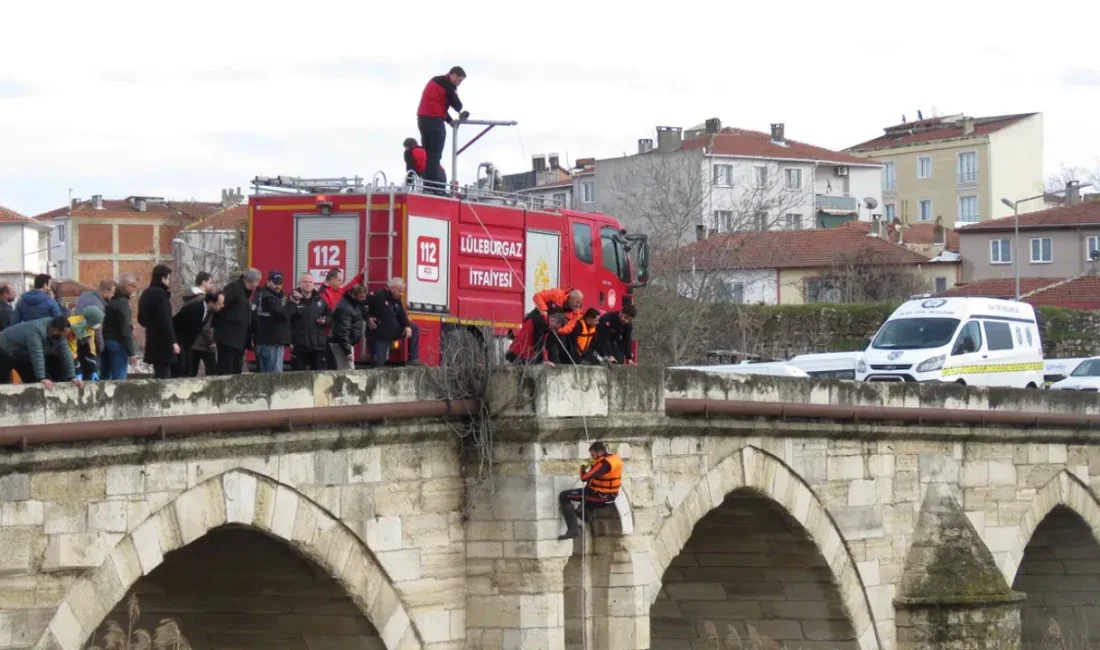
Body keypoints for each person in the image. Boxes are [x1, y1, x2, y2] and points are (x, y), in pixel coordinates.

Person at [416, 66, 468, 191]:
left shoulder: (436, 81)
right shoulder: (447, 84)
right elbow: (457, 105)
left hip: (423, 119)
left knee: (429, 154)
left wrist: (449, 121)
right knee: (435, 155)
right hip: (434, 121)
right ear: (453, 75)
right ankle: (434, 187)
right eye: (459, 80)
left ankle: (427, 185)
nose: (459, 83)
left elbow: (438, 104)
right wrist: (455, 92)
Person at [558, 441, 622, 540]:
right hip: (607, 496)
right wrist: (593, 465)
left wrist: (582, 469)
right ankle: (585, 514)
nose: (592, 457)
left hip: (600, 497)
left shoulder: (603, 464)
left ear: (599, 452)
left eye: (593, 455)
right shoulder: (613, 458)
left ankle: (573, 529)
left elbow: (584, 478)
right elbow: (598, 475)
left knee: (564, 496)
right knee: (586, 491)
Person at [0, 317, 80, 389]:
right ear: (56, 331)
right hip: (4, 350)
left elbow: (66, 354)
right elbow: (37, 354)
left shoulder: (60, 334)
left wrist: (72, 377)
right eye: (65, 333)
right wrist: (42, 378)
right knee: (3, 383)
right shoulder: (35, 330)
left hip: (24, 355)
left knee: (33, 383)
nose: (66, 335)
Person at [214, 268, 262, 375]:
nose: (257, 285)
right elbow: (220, 305)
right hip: (228, 337)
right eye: (257, 281)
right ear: (252, 281)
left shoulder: (246, 292)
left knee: (236, 369)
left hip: (239, 339)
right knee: (226, 368)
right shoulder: (234, 287)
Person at [365, 277, 420, 367]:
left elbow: (401, 315)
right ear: (392, 287)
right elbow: (359, 305)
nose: (401, 294)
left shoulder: (396, 298)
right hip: (379, 334)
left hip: (392, 330)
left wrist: (407, 326)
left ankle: (413, 358)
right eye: (399, 291)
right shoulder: (377, 295)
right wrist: (368, 318)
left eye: (402, 291)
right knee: (378, 364)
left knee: (414, 328)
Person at [137, 264, 179, 379]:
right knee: (164, 376)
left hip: (152, 339)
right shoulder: (160, 294)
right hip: (163, 342)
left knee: (159, 372)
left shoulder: (146, 293)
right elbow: (166, 320)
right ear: (163, 278)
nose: (169, 281)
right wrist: (173, 342)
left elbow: (141, 319)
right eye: (168, 278)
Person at [174, 292, 223, 377]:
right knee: (184, 368)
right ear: (211, 302)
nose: (221, 306)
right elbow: (181, 324)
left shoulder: (208, 311)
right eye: (219, 304)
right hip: (183, 340)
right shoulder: (196, 309)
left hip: (191, 342)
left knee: (189, 369)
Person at [289, 273, 329, 371]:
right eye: (305, 282)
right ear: (299, 283)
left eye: (310, 282)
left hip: (318, 346)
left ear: (313, 284)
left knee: (319, 376)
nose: (308, 284)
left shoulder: (320, 300)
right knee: (298, 376)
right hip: (299, 347)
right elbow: (287, 322)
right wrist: (289, 342)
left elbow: (332, 317)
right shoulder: (292, 300)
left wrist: (325, 321)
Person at [253, 271, 291, 373]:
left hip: (262, 342)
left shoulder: (260, 294)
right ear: (268, 282)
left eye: (280, 283)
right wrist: (289, 303)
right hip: (272, 343)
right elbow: (284, 315)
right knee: (275, 376)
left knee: (265, 376)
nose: (278, 286)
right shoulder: (269, 297)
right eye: (275, 282)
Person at [180, 273, 218, 377]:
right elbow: (204, 323)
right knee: (212, 374)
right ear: (203, 282)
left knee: (190, 374)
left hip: (190, 342)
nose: (212, 285)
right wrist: (211, 341)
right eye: (210, 282)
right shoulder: (202, 300)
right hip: (204, 343)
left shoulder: (188, 298)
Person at [52, 306, 104, 381]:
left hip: (77, 353)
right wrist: (77, 371)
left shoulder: (90, 328)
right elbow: (70, 350)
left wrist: (93, 369)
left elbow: (91, 348)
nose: (92, 329)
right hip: (61, 356)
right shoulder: (70, 326)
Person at [102, 274, 138, 380]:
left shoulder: (110, 300)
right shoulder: (123, 302)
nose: (134, 289)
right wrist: (132, 353)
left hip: (104, 342)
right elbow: (125, 328)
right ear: (125, 285)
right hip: (118, 344)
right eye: (133, 286)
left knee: (104, 378)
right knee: (119, 379)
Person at [75, 279, 115, 371]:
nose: (113, 295)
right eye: (112, 292)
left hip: (77, 337)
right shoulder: (98, 306)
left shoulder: (86, 295)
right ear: (106, 292)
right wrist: (101, 348)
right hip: (89, 343)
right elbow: (97, 330)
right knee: (92, 370)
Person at [330, 283, 367, 370]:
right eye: (361, 297)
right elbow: (343, 331)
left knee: (346, 369)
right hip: (341, 344)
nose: (363, 299)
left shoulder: (351, 304)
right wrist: (347, 351)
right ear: (354, 295)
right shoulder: (346, 308)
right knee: (347, 371)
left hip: (344, 343)